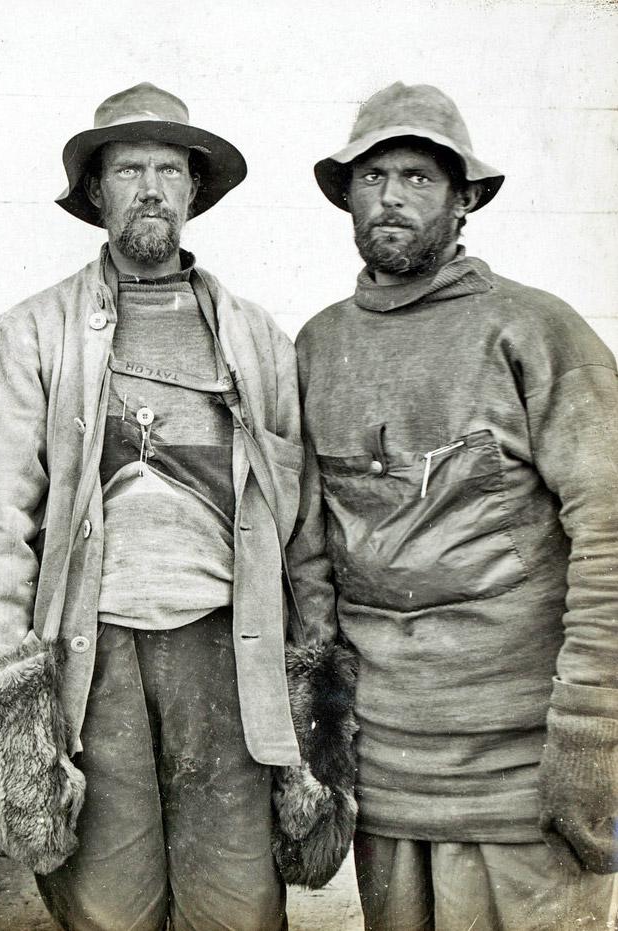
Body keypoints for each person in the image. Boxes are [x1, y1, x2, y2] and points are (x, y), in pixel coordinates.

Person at [0, 82, 352, 931]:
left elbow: (301, 526)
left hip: (227, 655)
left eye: (170, 168)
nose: (150, 187)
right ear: (95, 191)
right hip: (91, 659)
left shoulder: (255, 338)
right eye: (127, 167)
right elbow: (0, 526)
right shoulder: (32, 334)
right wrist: (8, 695)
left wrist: (314, 668)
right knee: (109, 904)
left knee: (237, 905)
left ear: (194, 190)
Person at [297, 80, 618, 929]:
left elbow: (612, 534)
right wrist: (319, 730)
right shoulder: (318, 344)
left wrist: (591, 734)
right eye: (372, 179)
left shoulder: (536, 331)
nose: (391, 198)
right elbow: (307, 551)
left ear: (464, 198)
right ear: (347, 198)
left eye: (417, 177)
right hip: (391, 770)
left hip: (525, 771)